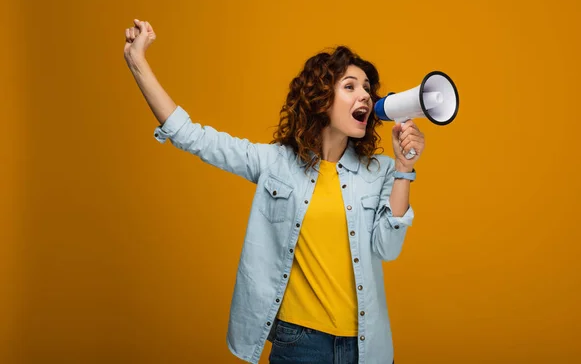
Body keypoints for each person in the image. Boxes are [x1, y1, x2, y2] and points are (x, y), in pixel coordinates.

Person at [124, 19, 425, 364]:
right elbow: (191, 135)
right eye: (350, 86)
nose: (365, 96)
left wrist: (404, 168)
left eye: (368, 88)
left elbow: (387, 249)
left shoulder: (382, 171)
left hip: (364, 346)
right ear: (321, 99)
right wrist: (138, 63)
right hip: (299, 342)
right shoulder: (275, 163)